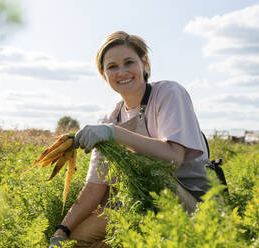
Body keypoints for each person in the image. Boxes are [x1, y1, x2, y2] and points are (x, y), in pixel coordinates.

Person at [49, 31, 210, 248]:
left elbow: (173, 157)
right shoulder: (110, 118)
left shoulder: (168, 93)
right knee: (77, 241)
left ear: (144, 62)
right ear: (103, 74)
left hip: (188, 205)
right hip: (134, 204)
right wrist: (61, 231)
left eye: (128, 62)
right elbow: (95, 186)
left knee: (156, 181)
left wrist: (114, 133)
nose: (122, 72)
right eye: (112, 67)